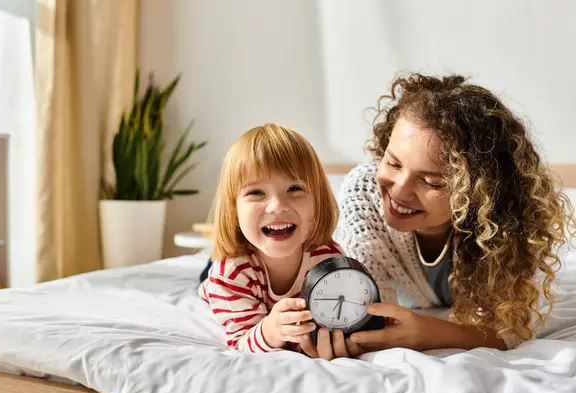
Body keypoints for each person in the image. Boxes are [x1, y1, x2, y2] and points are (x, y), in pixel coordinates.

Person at [300, 73, 576, 360]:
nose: (400, 191)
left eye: (431, 182)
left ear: (477, 191)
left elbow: (511, 329)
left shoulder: (502, 227)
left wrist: (425, 332)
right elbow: (370, 311)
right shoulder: (364, 196)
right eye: (393, 163)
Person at [199, 123, 343, 352]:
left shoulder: (328, 259)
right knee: (208, 279)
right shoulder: (230, 274)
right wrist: (270, 330)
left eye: (295, 189)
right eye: (256, 192)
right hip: (228, 276)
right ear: (234, 211)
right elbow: (240, 342)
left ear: (317, 205)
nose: (277, 207)